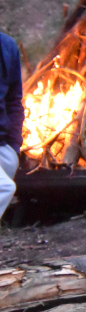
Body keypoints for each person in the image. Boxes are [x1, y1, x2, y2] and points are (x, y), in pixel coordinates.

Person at [0, 32, 23, 222]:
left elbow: (14, 100)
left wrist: (14, 147)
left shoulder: (7, 45)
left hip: (3, 144)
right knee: (4, 187)